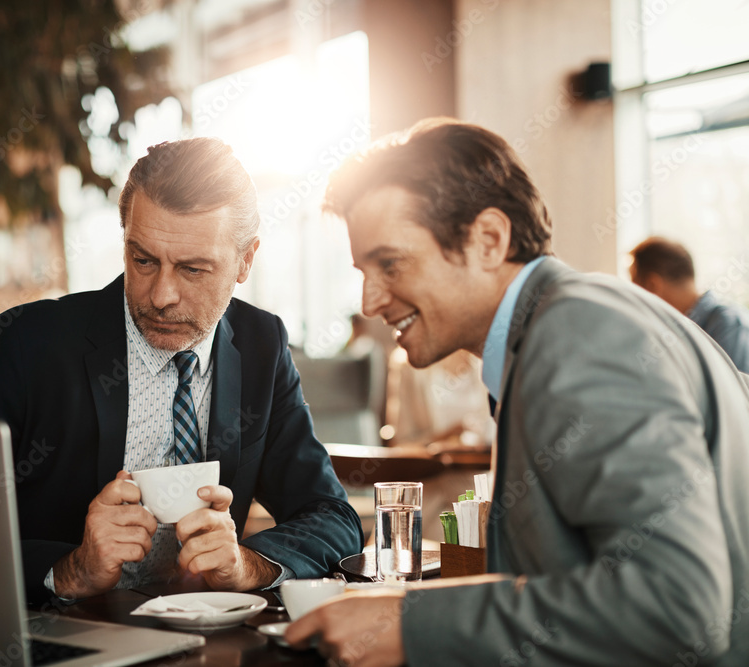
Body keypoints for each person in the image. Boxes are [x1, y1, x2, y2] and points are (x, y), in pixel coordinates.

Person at [285, 118, 749, 667]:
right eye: (364, 270)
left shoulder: (579, 336)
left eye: (390, 263)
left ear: (488, 240)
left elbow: (677, 606)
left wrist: (411, 625)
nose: (369, 300)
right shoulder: (568, 321)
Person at [0, 137, 362, 605]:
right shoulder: (22, 345)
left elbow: (331, 517)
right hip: (57, 639)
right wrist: (70, 571)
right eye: (143, 260)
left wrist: (246, 565)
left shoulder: (261, 344)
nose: (161, 295)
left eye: (193, 270)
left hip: (209, 642)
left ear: (245, 260)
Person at [630, 236, 749, 373]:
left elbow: (733, 392)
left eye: (635, 288)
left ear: (653, 285)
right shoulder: (673, 329)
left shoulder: (728, 324)